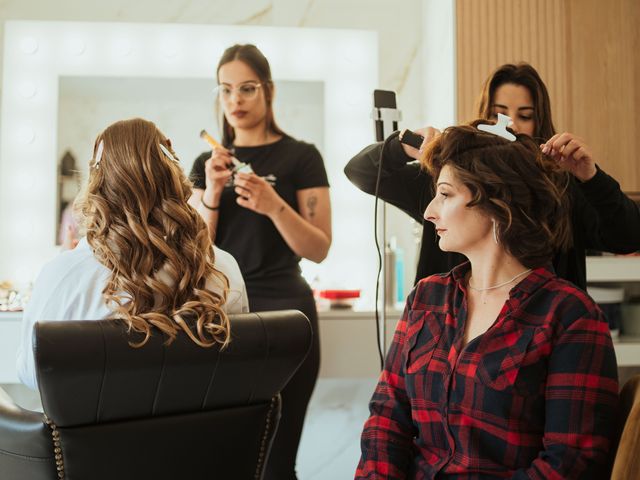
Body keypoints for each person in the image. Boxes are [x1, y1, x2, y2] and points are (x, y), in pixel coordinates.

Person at [355, 121, 619, 479]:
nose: (430, 211)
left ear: (496, 200)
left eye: (445, 194)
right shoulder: (427, 297)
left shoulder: (569, 316)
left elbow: (570, 463)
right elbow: (387, 417)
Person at [344, 62, 640, 290]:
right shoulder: (443, 181)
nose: (510, 126)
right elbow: (360, 171)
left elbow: (630, 236)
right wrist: (402, 146)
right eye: (500, 114)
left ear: (540, 123)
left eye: (524, 116)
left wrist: (592, 178)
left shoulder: (561, 189)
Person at [17, 118, 248, 391]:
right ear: (173, 172)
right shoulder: (223, 268)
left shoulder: (65, 276)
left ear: (97, 184)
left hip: (100, 434)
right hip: (199, 433)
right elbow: (236, 366)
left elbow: (32, 375)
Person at [188, 44, 332, 479]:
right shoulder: (205, 163)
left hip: (288, 311)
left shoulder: (302, 157)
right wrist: (212, 194)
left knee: (276, 460)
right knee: (226, 458)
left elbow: (319, 247)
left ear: (268, 91)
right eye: (226, 89)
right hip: (223, 313)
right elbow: (196, 253)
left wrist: (273, 205)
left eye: (247, 88)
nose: (235, 100)